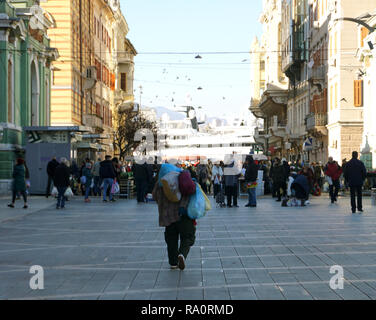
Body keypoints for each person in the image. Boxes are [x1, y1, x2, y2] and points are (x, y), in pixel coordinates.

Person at [153, 176, 195, 270]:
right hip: (182, 214)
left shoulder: (161, 181)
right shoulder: (182, 179)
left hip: (168, 216)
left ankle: (173, 263)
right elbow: (190, 192)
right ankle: (182, 254)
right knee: (188, 237)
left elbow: (155, 196)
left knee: (171, 239)